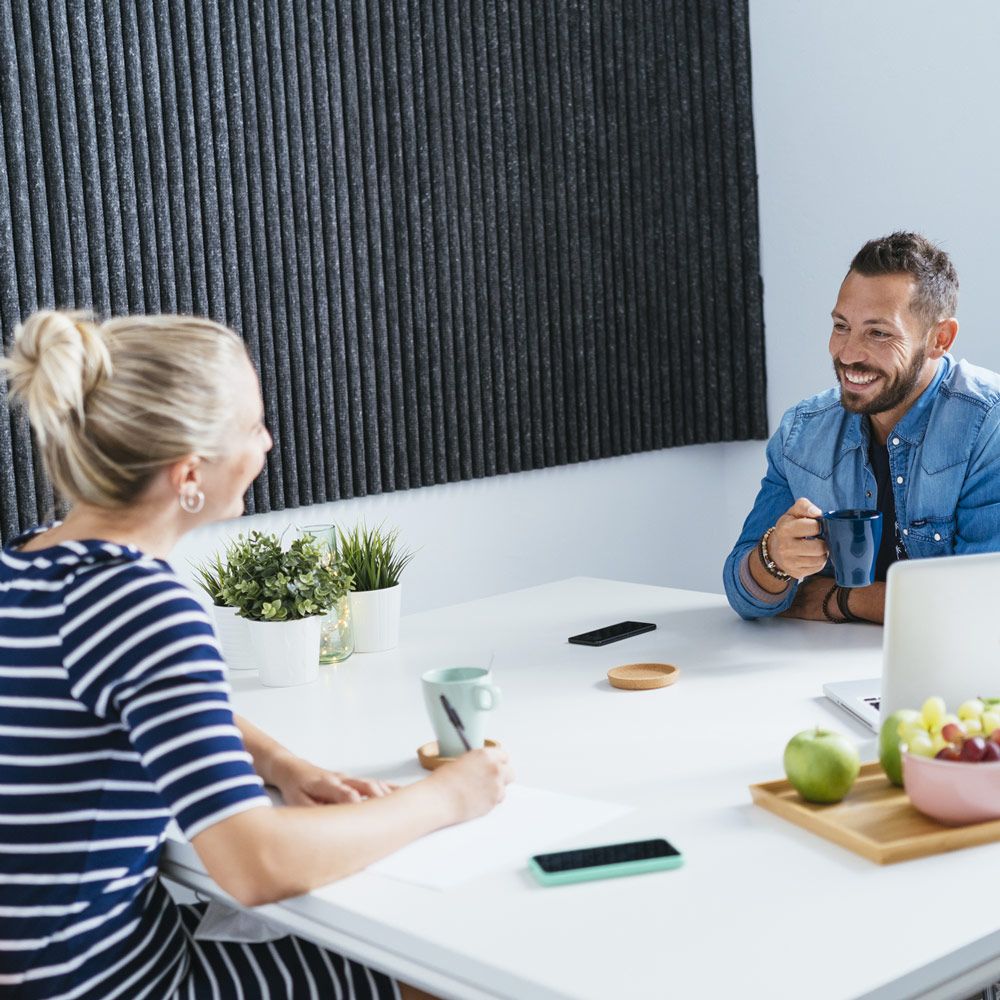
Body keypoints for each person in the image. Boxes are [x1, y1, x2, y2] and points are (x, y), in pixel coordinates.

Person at [0, 310, 513, 999]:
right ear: (189, 472)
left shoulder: (28, 563)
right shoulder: (144, 605)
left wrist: (279, 762)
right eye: (252, 427)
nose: (268, 443)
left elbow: (131, 699)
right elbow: (256, 866)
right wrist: (447, 797)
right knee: (436, 975)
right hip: (102, 985)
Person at [723, 232, 1000, 624]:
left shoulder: (988, 424)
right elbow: (742, 594)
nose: (848, 353)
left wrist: (839, 599)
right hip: (821, 660)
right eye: (841, 326)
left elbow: (983, 605)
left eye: (879, 333)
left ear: (940, 339)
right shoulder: (802, 432)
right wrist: (773, 559)